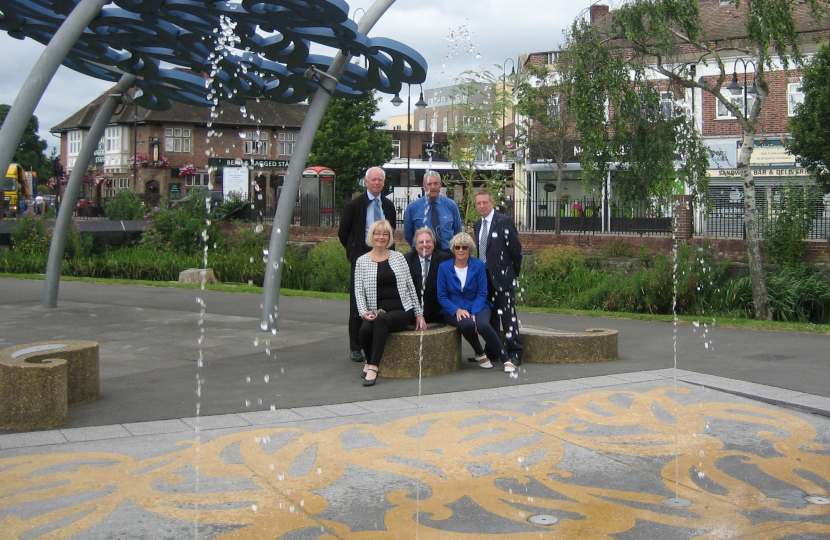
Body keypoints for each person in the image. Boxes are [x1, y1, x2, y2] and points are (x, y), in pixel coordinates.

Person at [354, 220, 425, 386]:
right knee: (364, 330)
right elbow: (358, 291)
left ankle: (373, 367)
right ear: (372, 236)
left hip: (401, 309)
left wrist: (419, 314)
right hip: (376, 309)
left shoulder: (398, 258)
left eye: (385, 234)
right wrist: (364, 312)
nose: (381, 237)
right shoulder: (361, 261)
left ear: (389, 237)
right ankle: (368, 361)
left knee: (381, 321)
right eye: (377, 234)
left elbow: (410, 286)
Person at [338, 167, 397, 363]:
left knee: (383, 297)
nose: (377, 183)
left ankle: (378, 340)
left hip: (384, 256)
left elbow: (391, 230)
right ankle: (356, 346)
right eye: (373, 180)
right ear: (366, 182)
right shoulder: (354, 206)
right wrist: (353, 251)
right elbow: (343, 233)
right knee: (358, 302)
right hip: (362, 257)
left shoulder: (388, 205)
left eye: (380, 180)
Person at [437, 232, 511, 370]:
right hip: (454, 308)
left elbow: (482, 292)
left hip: (478, 304)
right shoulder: (444, 267)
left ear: (469, 249)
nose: (461, 250)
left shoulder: (478, 265)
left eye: (464, 247)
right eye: (457, 247)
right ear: (453, 249)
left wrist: (474, 312)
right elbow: (442, 296)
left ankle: (505, 359)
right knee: (468, 324)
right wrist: (456, 310)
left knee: (483, 325)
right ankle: (480, 353)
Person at [473, 188, 523, 372]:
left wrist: (512, 272)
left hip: (503, 277)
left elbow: (516, 251)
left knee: (508, 316)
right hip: (485, 279)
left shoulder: (504, 221)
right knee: (491, 316)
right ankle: (493, 350)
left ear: (492, 203)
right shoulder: (477, 225)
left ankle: (515, 352)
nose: (482, 206)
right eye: (478, 203)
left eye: (485, 202)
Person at [403, 171, 462, 253]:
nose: (433, 187)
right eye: (429, 184)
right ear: (424, 186)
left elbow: (458, 231)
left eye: (436, 184)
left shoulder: (451, 205)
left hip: (447, 253)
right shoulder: (413, 207)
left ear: (440, 186)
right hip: (423, 252)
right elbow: (408, 234)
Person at [404, 227, 452, 323]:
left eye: (428, 241)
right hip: (413, 312)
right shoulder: (406, 260)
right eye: (421, 242)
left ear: (433, 243)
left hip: (438, 312)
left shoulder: (445, 259)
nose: (425, 245)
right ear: (415, 245)